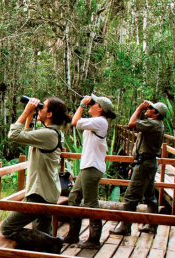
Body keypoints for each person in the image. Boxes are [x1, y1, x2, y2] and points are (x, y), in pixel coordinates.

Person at [0, 96, 72, 253]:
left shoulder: (48, 134)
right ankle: (50, 246)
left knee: (8, 228)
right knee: (41, 232)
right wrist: (32, 115)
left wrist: (26, 112)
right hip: (50, 192)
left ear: (50, 114)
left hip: (39, 194)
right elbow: (28, 136)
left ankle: (52, 243)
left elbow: (14, 135)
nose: (39, 108)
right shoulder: (55, 133)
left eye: (42, 107)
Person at [63, 94, 117, 249]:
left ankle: (94, 239)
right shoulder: (97, 122)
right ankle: (73, 235)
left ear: (99, 108)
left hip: (92, 168)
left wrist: (81, 104)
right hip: (87, 167)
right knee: (74, 198)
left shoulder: (99, 121)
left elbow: (75, 122)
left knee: (91, 203)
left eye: (93, 103)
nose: (90, 105)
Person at [110, 100, 167, 235]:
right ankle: (152, 225)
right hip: (149, 163)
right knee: (150, 197)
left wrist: (139, 108)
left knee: (131, 197)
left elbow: (131, 124)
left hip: (144, 164)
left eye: (151, 108)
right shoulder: (156, 124)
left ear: (157, 113)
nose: (148, 109)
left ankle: (125, 227)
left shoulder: (153, 123)